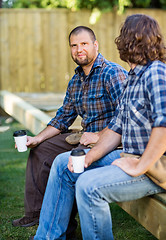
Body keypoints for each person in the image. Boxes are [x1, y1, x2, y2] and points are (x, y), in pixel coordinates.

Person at [30, 14, 166, 240]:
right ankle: (47, 238)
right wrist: (89, 158)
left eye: (124, 36)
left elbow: (163, 128)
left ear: (131, 40)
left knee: (88, 186)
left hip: (155, 166)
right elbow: (115, 129)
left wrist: (140, 165)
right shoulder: (133, 78)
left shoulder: (156, 73)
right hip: (130, 156)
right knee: (65, 163)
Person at [12, 25, 127, 235]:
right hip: (84, 137)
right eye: (74, 45)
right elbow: (63, 117)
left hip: (109, 141)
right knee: (41, 149)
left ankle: (64, 226)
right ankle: (38, 214)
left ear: (95, 45)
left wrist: (100, 135)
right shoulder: (76, 81)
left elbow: (127, 118)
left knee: (67, 164)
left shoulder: (113, 74)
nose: (79, 49)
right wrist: (37, 138)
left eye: (84, 44)